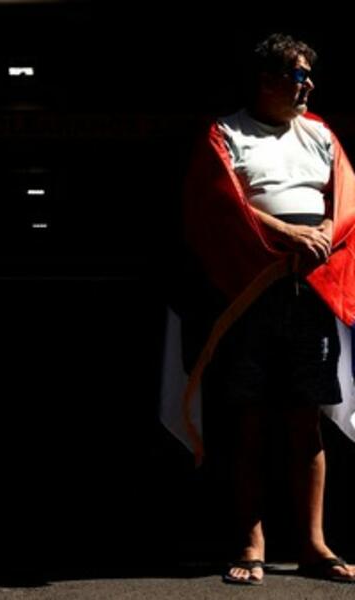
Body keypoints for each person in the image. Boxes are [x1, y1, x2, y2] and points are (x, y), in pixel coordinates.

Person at [178, 33, 355, 585]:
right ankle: (250, 543)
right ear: (267, 79)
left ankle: (313, 545)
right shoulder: (227, 132)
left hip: (311, 289)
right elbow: (216, 205)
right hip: (250, 291)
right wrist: (284, 233)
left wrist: (323, 231)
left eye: (308, 75)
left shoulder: (320, 133)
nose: (308, 85)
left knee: (307, 420)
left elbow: (345, 199)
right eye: (298, 75)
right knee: (250, 419)